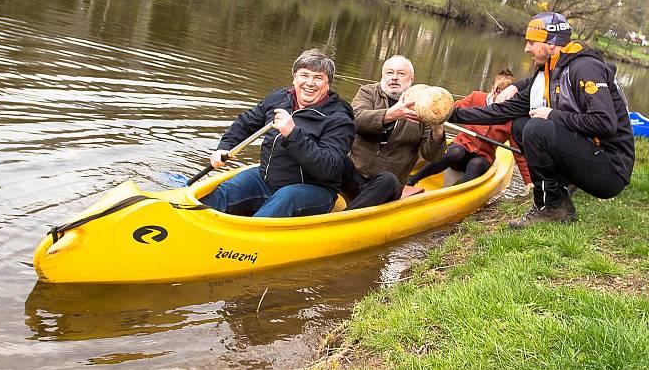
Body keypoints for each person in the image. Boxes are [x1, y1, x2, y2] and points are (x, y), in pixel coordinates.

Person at [450, 12, 635, 228]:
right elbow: (501, 111)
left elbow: (604, 122)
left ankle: (550, 207)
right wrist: (451, 114)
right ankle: (558, 199)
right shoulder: (550, 71)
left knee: (537, 128)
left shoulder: (584, 68)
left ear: (551, 42)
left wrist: (552, 115)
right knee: (521, 125)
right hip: (588, 155)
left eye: (531, 42)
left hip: (611, 169)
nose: (526, 49)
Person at [200, 49, 354, 217]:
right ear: (294, 77)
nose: (310, 83)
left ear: (328, 84)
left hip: (314, 191)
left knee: (285, 198)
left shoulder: (339, 119)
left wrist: (293, 134)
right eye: (304, 75)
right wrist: (224, 147)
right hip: (266, 180)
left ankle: (247, 238)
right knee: (223, 193)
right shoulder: (279, 98)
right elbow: (245, 123)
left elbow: (329, 168)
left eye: (318, 78)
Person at [340, 55, 446, 210]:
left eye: (401, 74)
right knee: (334, 157)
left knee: (388, 179)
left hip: (387, 185)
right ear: (383, 76)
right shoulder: (368, 92)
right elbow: (355, 121)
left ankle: (343, 221)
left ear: (411, 78)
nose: (394, 78)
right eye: (389, 73)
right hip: (355, 175)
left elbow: (432, 155)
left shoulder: (424, 105)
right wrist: (390, 114)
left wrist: (437, 129)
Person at [407, 69, 532, 188]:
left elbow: (518, 153)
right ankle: (414, 178)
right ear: (493, 89)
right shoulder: (476, 97)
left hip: (483, 157)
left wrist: (529, 182)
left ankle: (458, 193)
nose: (500, 97)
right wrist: (432, 111)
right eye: (498, 91)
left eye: (505, 95)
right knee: (455, 153)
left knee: (475, 164)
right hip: (461, 147)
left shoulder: (511, 118)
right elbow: (450, 110)